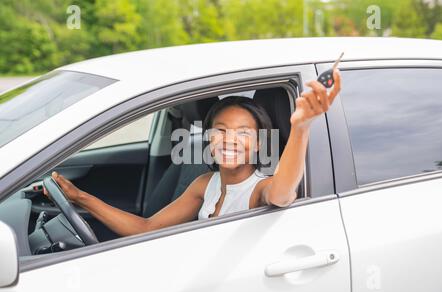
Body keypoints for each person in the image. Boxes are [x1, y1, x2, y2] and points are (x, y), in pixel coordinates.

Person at [45, 70, 342, 237]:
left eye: (243, 133)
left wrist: (301, 128)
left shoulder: (259, 189)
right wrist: (80, 197)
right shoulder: (204, 184)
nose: (229, 140)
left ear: (260, 144)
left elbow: (282, 193)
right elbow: (146, 227)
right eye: (221, 130)